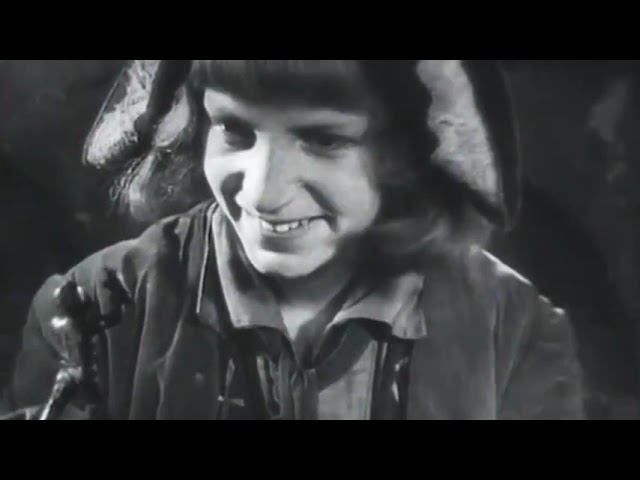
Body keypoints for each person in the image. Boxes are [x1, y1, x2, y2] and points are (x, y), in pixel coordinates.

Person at [2, 60, 584, 420]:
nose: (262, 192)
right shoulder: (90, 315)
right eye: (234, 130)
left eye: (323, 139)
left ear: (409, 153)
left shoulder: (514, 331)